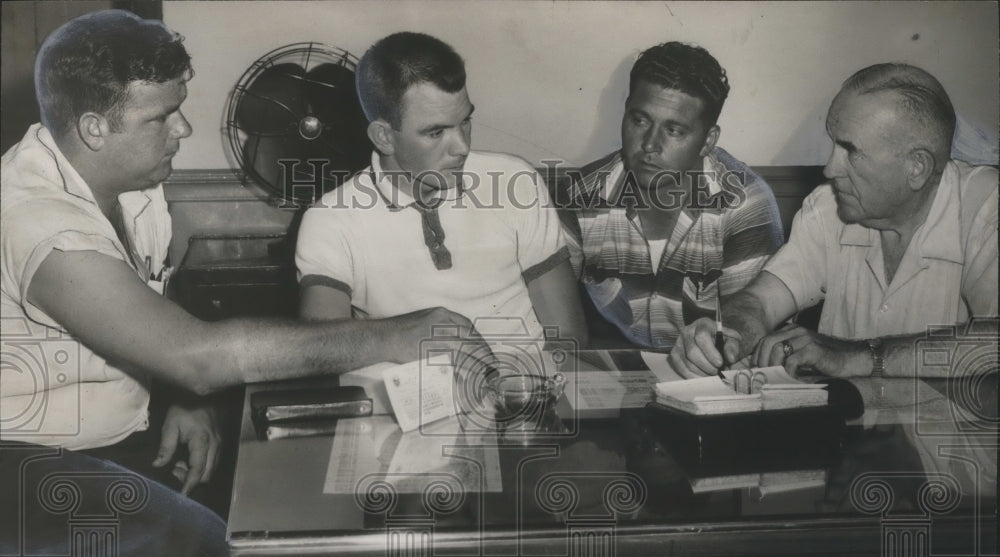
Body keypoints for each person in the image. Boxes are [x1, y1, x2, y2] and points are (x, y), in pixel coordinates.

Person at [0, 11, 489, 557]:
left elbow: (153, 304)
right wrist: (390, 336)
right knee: (212, 549)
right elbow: (196, 357)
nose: (183, 129)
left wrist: (185, 400)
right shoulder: (40, 220)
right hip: (22, 463)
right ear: (94, 129)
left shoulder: (128, 186)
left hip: (111, 442)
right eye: (162, 117)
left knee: (279, 518)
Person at [671, 63, 998, 379]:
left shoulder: (985, 207)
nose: (830, 169)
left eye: (850, 151)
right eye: (833, 144)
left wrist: (854, 357)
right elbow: (762, 301)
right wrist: (725, 333)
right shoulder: (829, 207)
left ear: (917, 167)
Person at [295, 32, 587, 351]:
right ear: (383, 137)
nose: (462, 147)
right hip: (407, 397)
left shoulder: (515, 180)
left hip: (529, 390)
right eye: (436, 132)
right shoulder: (330, 220)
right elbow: (323, 352)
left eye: (465, 122)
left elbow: (570, 340)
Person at [560, 42, 783, 349]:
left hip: (708, 385)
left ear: (707, 141)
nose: (649, 144)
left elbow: (745, 339)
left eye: (674, 130)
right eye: (639, 121)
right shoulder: (578, 196)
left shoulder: (745, 205)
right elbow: (554, 322)